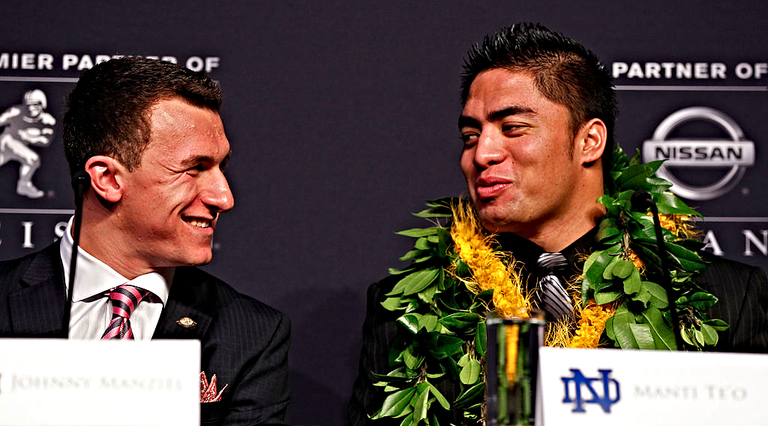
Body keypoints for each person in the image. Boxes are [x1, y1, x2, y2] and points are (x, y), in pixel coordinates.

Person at [347, 23, 768, 425]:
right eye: (470, 136)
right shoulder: (408, 312)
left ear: (589, 142)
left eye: (512, 128)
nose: (481, 154)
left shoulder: (723, 298)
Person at [0, 57, 290, 425]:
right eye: (195, 168)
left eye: (222, 167)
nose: (224, 197)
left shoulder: (251, 334)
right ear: (107, 179)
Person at [0, 89, 56, 198]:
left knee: (33, 160)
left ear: (42, 104)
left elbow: (46, 141)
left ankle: (24, 184)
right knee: (32, 159)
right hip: (6, 141)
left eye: (35, 104)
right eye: (29, 105)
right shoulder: (16, 112)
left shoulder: (48, 121)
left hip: (20, 146)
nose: (31, 108)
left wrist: (28, 137)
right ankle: (24, 185)